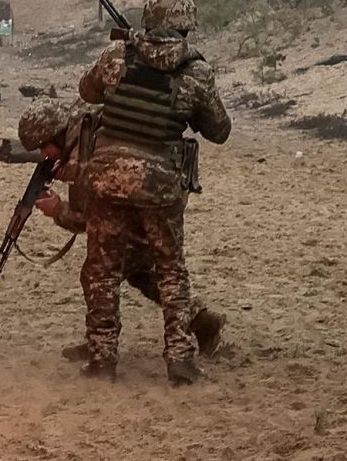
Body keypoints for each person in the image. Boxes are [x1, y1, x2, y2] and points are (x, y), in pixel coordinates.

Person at [75, 0, 230, 385]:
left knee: (103, 270)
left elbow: (87, 90)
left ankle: (102, 360)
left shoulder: (116, 56)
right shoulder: (196, 71)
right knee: (170, 270)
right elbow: (219, 130)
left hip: (106, 177)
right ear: (186, 26)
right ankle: (179, 360)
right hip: (159, 184)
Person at [14, 99, 226, 364]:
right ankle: (201, 321)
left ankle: (102, 346)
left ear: (55, 134)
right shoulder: (89, 124)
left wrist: (57, 209)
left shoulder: (84, 149)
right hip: (165, 188)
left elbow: (87, 219)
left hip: (145, 199)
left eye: (43, 147)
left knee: (98, 271)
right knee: (136, 267)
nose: (44, 155)